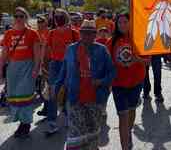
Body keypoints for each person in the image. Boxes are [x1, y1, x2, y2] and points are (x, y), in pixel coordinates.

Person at [54, 20, 115, 150]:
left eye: (90, 33)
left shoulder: (102, 50)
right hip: (75, 99)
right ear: (80, 33)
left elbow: (112, 73)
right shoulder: (71, 49)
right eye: (84, 32)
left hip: (96, 99)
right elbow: (63, 72)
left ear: (95, 35)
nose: (86, 35)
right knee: (75, 136)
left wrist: (100, 82)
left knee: (92, 134)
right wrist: (57, 94)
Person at [107, 12, 149, 150]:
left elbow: (148, 61)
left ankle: (129, 132)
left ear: (130, 23)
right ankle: (125, 146)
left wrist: (138, 60)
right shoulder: (111, 42)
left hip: (136, 82)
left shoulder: (140, 39)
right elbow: (107, 64)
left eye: (125, 22)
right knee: (122, 116)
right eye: (120, 23)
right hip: (118, 85)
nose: (123, 25)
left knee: (131, 111)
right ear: (116, 25)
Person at [0, 7, 41, 138]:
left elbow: (37, 54)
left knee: (26, 95)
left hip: (27, 67)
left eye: (21, 16)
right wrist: (1, 69)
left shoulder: (33, 33)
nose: (18, 19)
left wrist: (36, 69)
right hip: (12, 68)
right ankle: (21, 122)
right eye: (16, 16)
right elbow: (4, 54)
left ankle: (26, 124)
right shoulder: (8, 34)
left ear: (26, 18)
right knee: (13, 96)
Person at [45, 8, 80, 135]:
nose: (58, 18)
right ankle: (52, 121)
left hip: (69, 65)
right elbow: (47, 51)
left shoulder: (74, 33)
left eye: (61, 16)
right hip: (55, 64)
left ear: (66, 18)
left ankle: (66, 115)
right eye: (56, 16)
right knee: (53, 92)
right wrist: (44, 67)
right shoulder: (52, 33)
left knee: (68, 91)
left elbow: (80, 50)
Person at [36, 16, 50, 116]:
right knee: (41, 87)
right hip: (37, 63)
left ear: (46, 23)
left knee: (46, 86)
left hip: (47, 63)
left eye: (42, 21)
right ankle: (47, 108)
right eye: (38, 22)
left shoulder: (50, 33)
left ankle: (47, 108)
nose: (39, 23)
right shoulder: (35, 33)